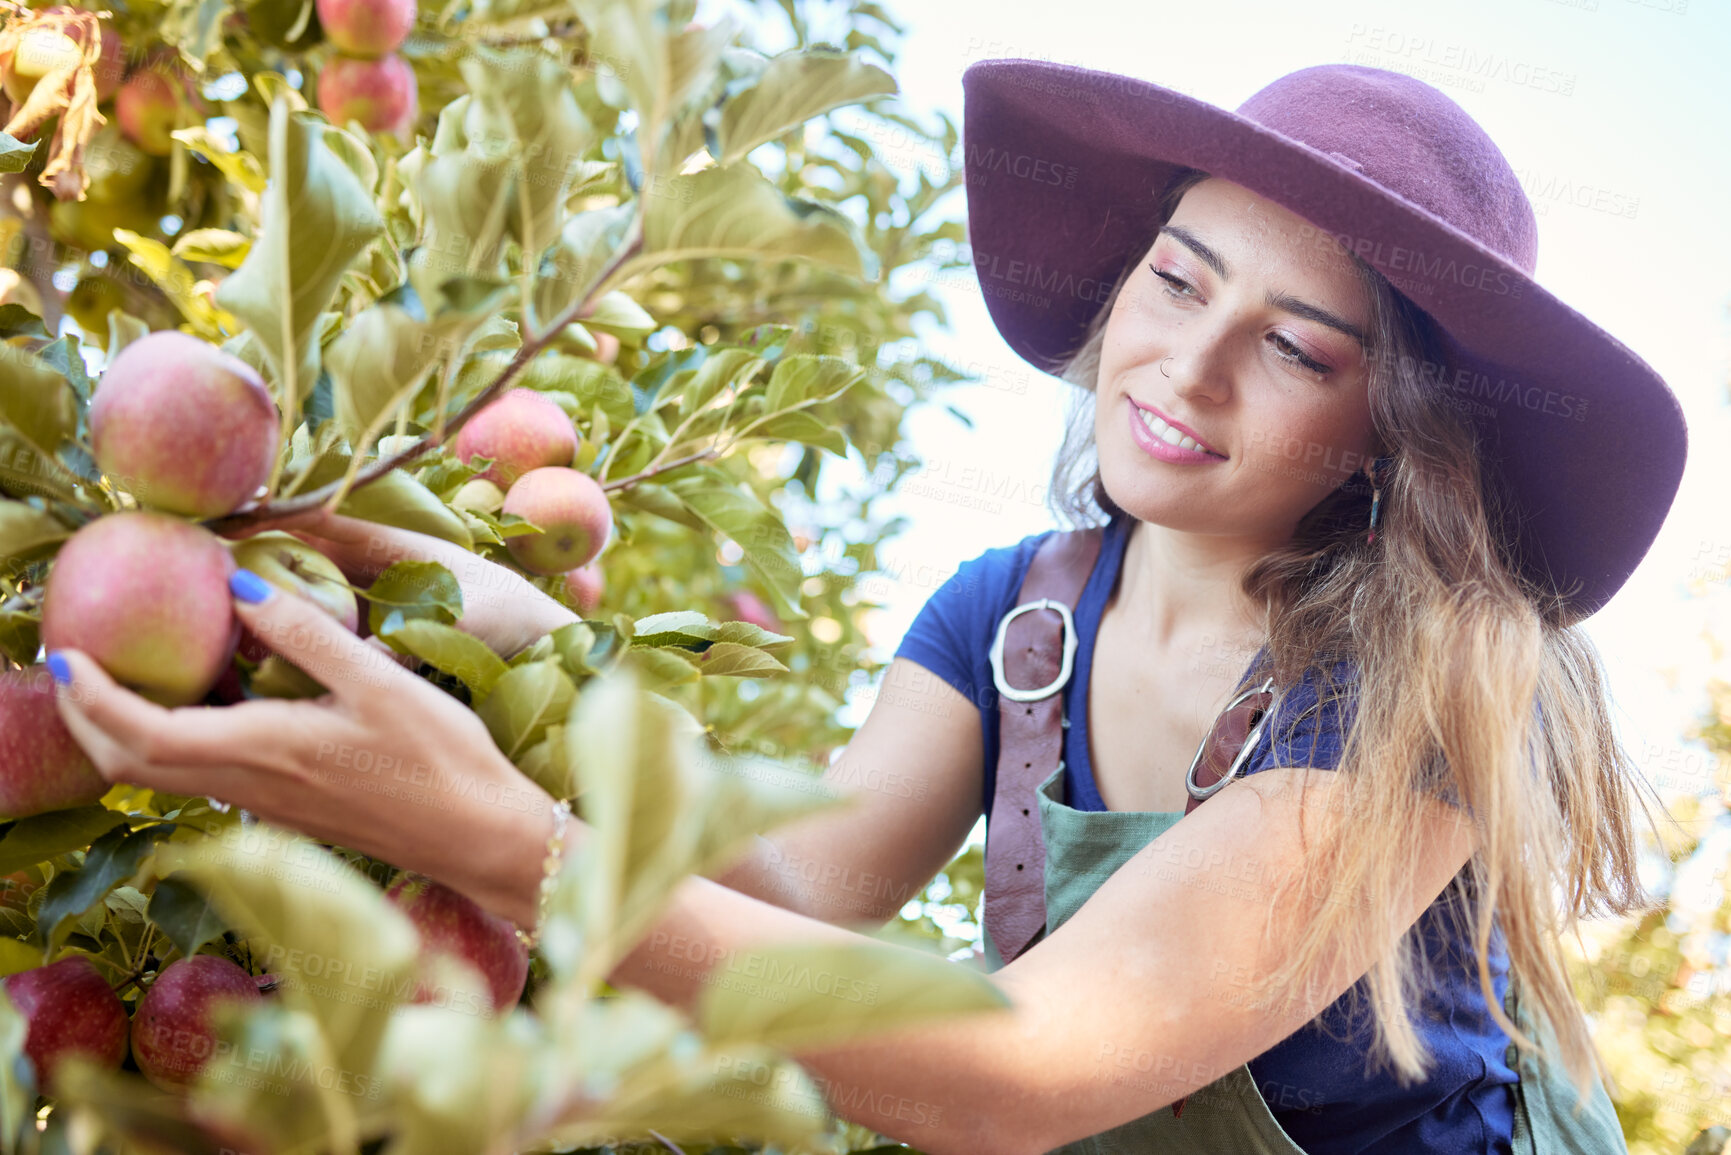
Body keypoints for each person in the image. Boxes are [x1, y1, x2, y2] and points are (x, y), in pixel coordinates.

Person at [43, 58, 1684, 1155]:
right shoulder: (1013, 623)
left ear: (1387, 429)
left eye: (1298, 347)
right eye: (1179, 279)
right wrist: (463, 600)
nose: (1186, 366)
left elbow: (1021, 1066)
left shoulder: (1431, 689)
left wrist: (504, 848)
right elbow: (791, 886)